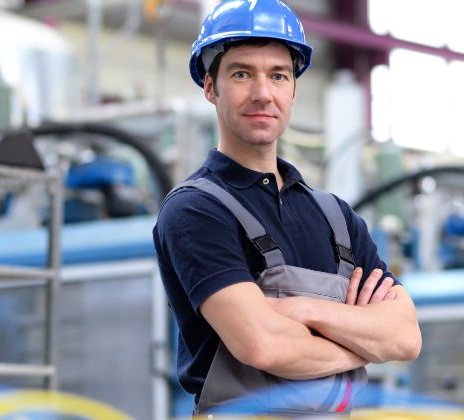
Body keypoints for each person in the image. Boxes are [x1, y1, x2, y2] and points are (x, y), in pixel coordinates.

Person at [152, 0, 422, 416]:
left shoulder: (337, 218)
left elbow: (404, 338)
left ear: (294, 90)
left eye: (277, 75)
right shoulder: (196, 209)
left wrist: (305, 309)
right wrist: (360, 347)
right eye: (241, 74)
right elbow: (262, 344)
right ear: (211, 87)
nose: (263, 93)